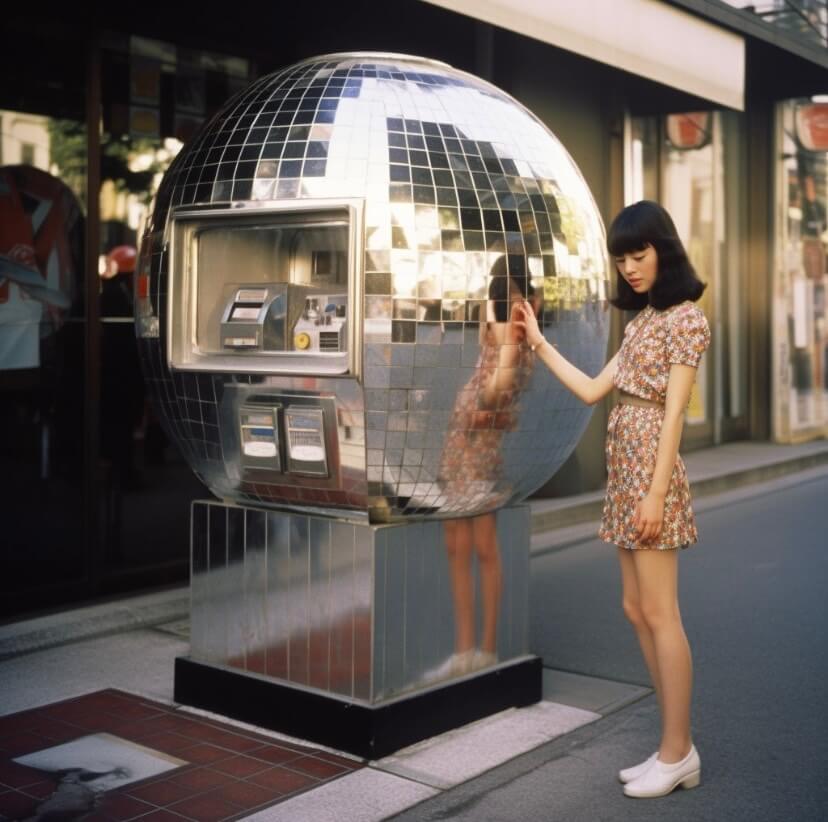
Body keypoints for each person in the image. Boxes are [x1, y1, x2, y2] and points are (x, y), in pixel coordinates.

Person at [514, 200, 711, 800]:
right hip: (625, 475)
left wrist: (655, 493)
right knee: (635, 609)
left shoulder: (685, 320)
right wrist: (540, 345)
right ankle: (671, 745)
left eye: (639, 253)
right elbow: (595, 391)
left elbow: (674, 411)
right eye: (621, 257)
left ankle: (678, 751)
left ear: (664, 250)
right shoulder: (642, 323)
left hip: (651, 476)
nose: (629, 266)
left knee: (661, 612)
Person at [433, 255, 537, 679]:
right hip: (460, 448)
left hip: (480, 453)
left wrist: (509, 339)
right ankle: (465, 649)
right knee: (457, 547)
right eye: (502, 296)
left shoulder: (520, 346)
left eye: (516, 297)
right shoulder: (497, 334)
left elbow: (497, 395)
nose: (509, 305)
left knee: (483, 548)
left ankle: (486, 649)